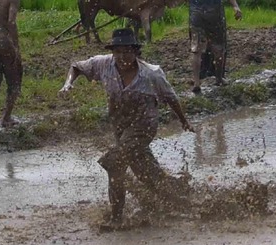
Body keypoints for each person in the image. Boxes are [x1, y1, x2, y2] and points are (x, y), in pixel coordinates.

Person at [61, 29, 195, 224]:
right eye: (118, 52)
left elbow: (170, 97)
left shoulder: (151, 73)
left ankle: (116, 218)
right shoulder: (104, 64)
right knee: (145, 173)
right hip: (120, 127)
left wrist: (184, 121)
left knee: (114, 163)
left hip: (143, 127)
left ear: (136, 52)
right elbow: (77, 67)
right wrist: (68, 84)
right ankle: (179, 200)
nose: (123, 57)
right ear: (113, 52)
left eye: (127, 52)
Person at [188, 0, 240, 94]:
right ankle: (219, 78)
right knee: (218, 45)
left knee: (196, 49)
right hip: (214, 11)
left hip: (196, 12)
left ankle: (196, 82)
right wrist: (235, 6)